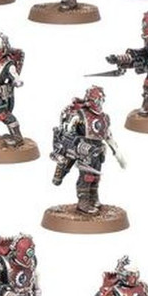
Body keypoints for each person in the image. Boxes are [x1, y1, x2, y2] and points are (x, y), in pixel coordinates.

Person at [51, 86, 124, 214]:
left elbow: (107, 135)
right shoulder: (79, 114)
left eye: (101, 99)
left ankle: (93, 198)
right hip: (84, 150)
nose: (99, 102)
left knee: (96, 176)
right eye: (98, 99)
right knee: (87, 177)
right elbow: (68, 135)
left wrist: (118, 154)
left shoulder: (104, 117)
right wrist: (75, 149)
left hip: (98, 150)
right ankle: (83, 202)